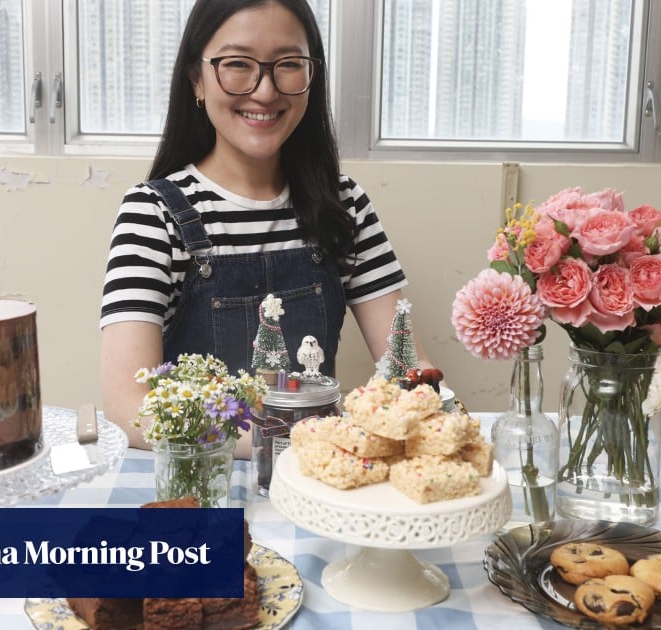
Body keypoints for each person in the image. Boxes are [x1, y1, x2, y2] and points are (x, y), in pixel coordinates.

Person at [99, 0, 433, 455]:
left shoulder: (344, 204)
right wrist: (294, 440)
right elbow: (129, 405)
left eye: (288, 65)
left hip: (318, 480)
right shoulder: (153, 212)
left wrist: (427, 414)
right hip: (206, 484)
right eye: (237, 64)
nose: (265, 90)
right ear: (196, 78)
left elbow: (408, 368)